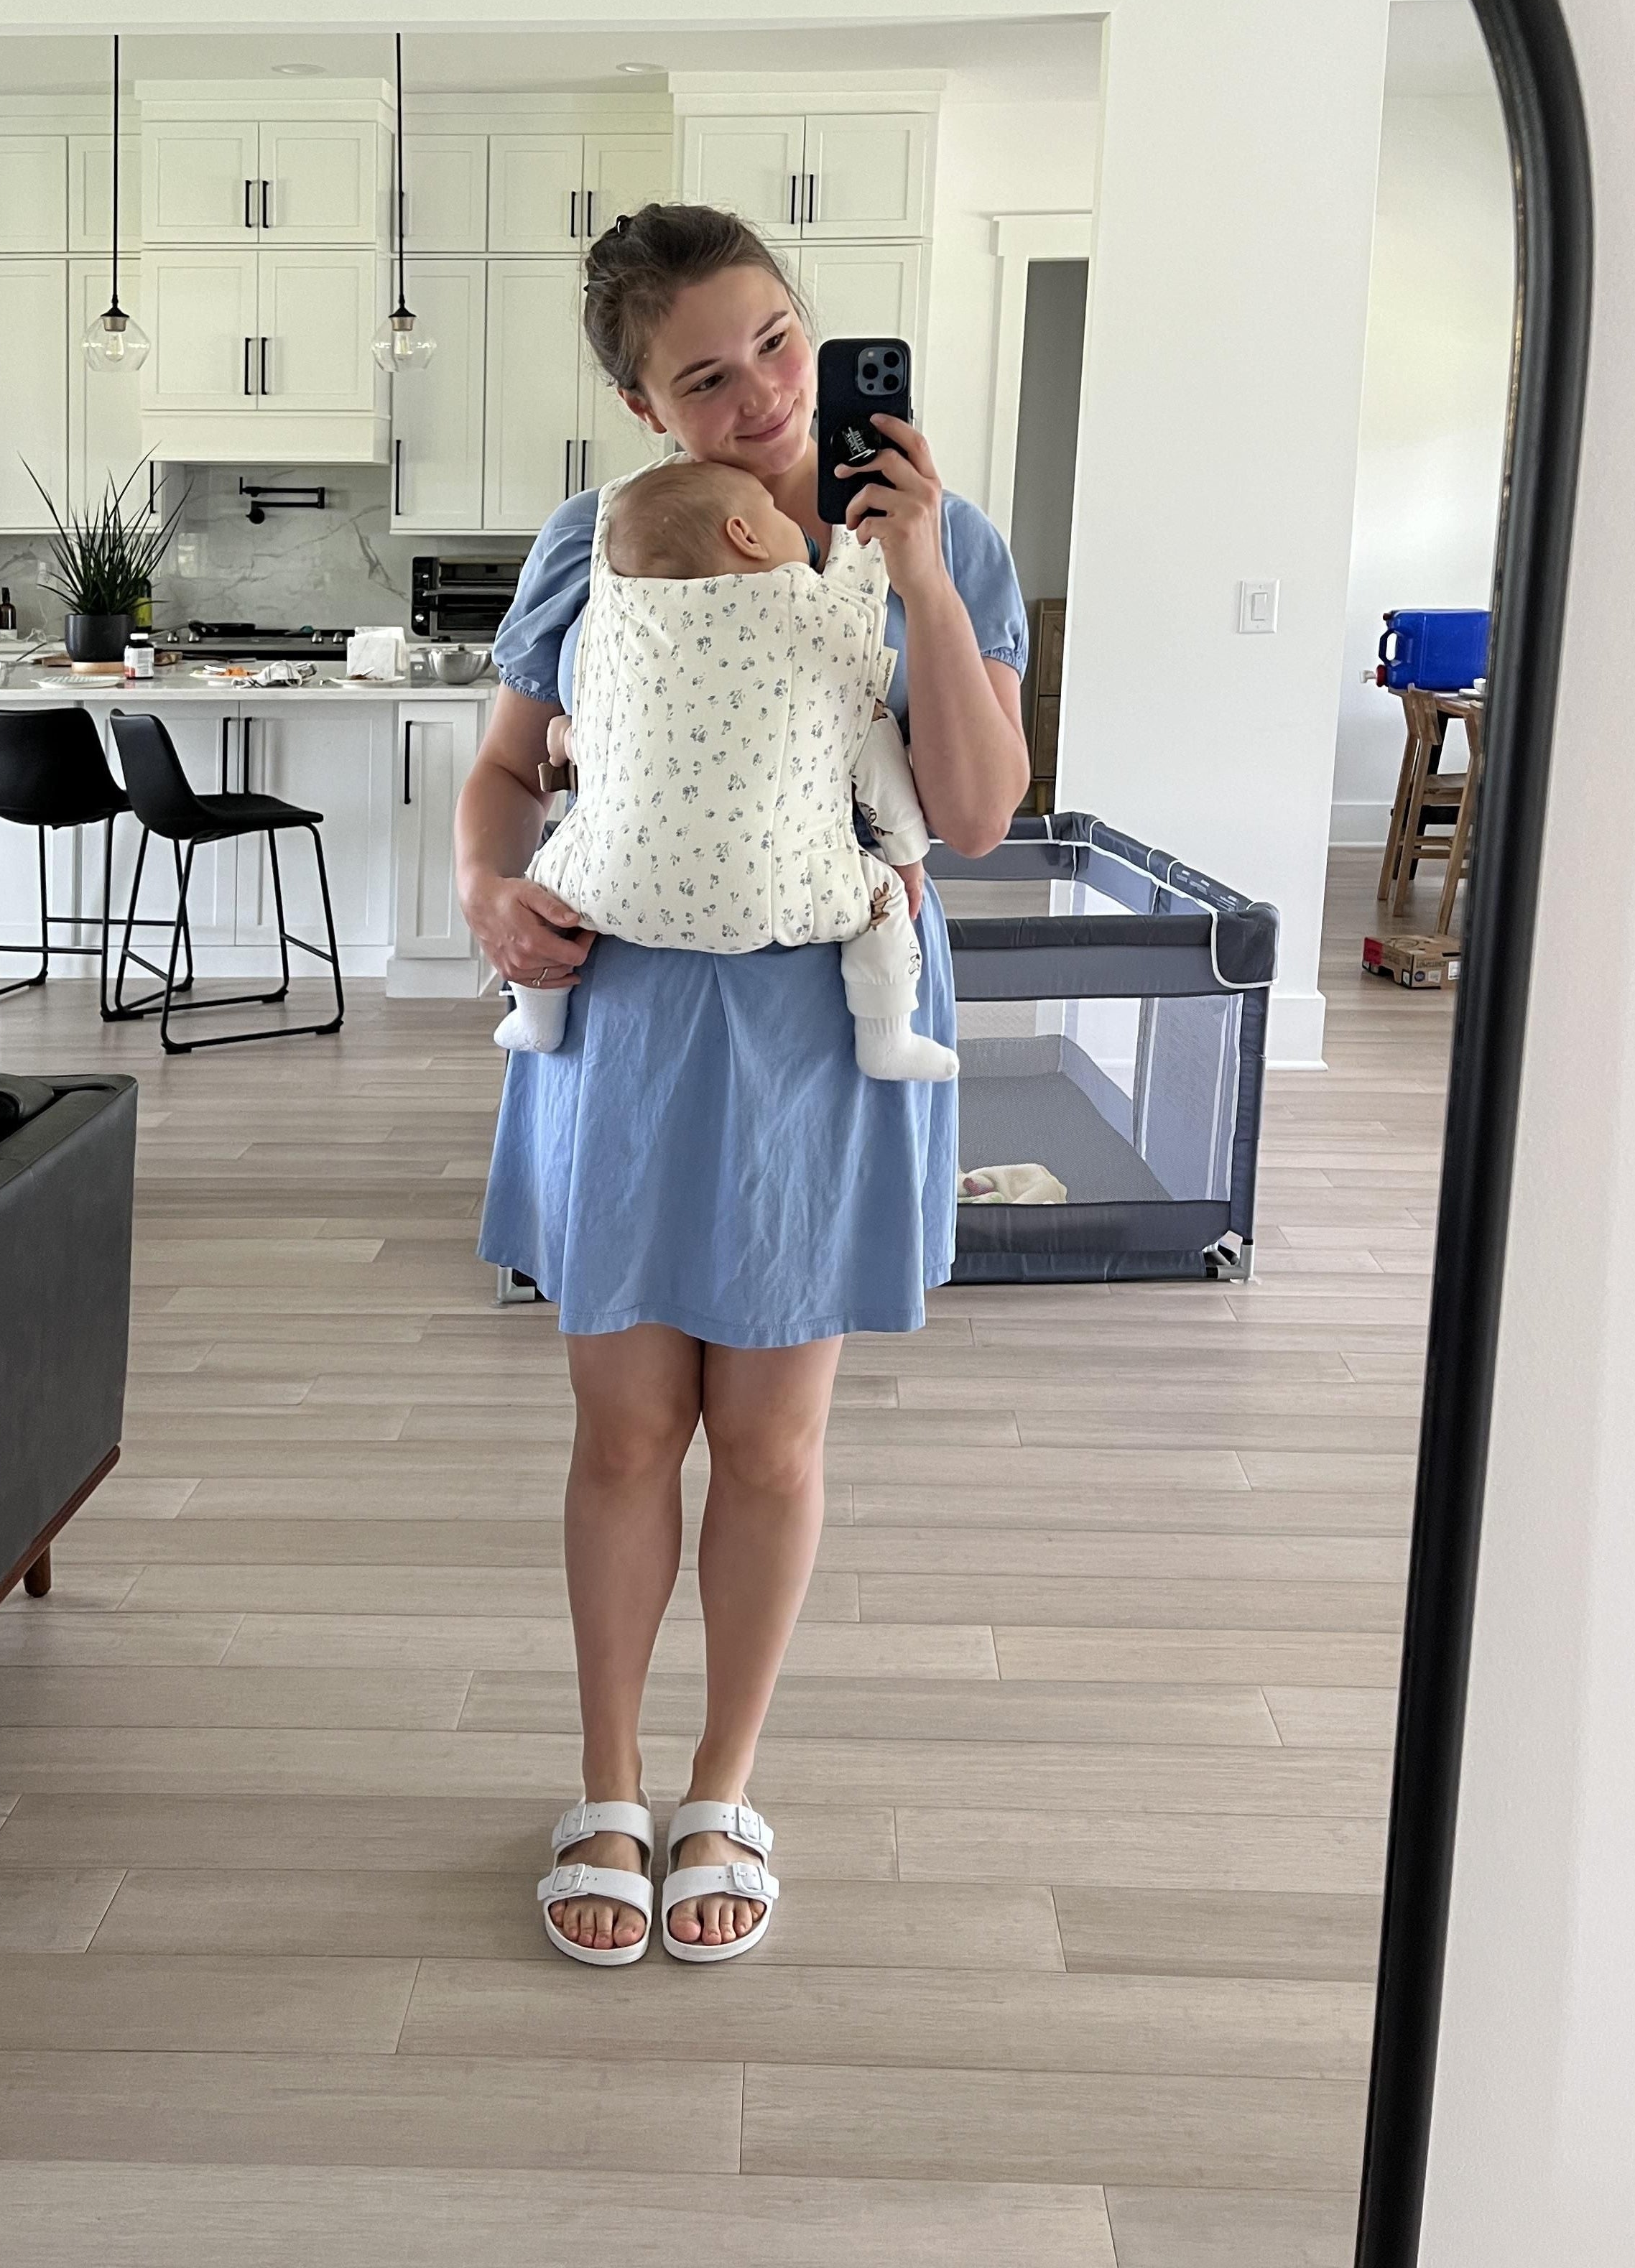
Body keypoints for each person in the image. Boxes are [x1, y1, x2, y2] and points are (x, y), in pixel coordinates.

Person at [455, 203, 1032, 1968]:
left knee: (772, 1446)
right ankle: (611, 1785)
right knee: (626, 1433)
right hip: (627, 1020)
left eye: (778, 342)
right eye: (704, 377)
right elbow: (501, 776)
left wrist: (921, 573)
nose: (766, 394)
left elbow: (983, 810)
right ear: (645, 408)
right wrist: (489, 895)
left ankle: (725, 1785)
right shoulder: (592, 544)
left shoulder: (949, 538)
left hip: (826, 1024)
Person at [494, 458, 957, 1084]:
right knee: (879, 907)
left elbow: (580, 737)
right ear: (747, 535)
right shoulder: (825, 624)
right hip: (780, 899)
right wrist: (904, 859)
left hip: (604, 898)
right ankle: (887, 1041)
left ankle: (537, 1022)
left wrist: (568, 741)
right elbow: (875, 769)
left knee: (549, 880)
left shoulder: (628, 637)